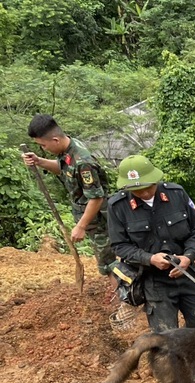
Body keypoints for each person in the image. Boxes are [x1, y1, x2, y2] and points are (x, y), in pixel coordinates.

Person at [106, 155, 195, 332]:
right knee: (166, 337)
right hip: (153, 281)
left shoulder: (176, 194)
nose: (145, 193)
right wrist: (150, 258)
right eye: (138, 191)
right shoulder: (118, 206)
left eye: (149, 187)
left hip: (187, 273)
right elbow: (120, 245)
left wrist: (188, 256)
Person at [21, 113, 117, 297]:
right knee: (106, 259)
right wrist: (40, 162)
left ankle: (126, 304)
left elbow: (96, 198)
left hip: (99, 220)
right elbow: (64, 169)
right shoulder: (68, 150)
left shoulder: (83, 162)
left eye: (43, 145)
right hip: (91, 220)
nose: (43, 148)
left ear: (55, 139)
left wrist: (80, 226)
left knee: (108, 262)